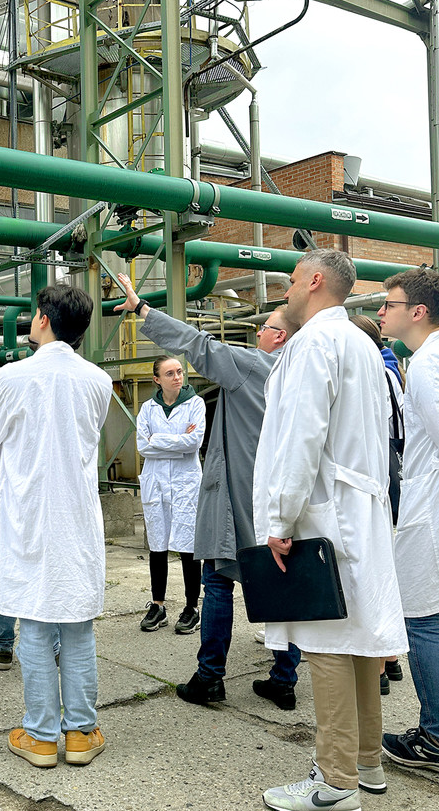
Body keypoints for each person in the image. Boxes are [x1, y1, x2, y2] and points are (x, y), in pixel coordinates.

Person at [254, 249, 407, 811]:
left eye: (293, 279)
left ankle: (334, 783)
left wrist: (279, 518)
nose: (287, 290)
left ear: (315, 281)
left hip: (324, 513)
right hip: (359, 506)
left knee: (326, 644)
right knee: (360, 639)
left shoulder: (314, 343)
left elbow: (299, 437)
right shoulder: (361, 343)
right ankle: (366, 762)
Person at [114, 275, 301, 708]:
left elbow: (197, 344)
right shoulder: (297, 375)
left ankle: (210, 675)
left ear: (280, 337)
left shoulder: (253, 366)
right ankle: (284, 677)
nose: (258, 333)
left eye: (265, 328)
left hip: (238, 493)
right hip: (280, 496)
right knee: (279, 584)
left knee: (218, 578)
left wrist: (143, 310)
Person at [0, 284, 112, 768]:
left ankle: (39, 736)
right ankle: (80, 733)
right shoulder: (98, 380)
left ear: (42, 319)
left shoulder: (10, 377)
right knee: (77, 624)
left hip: (29, 513)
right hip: (76, 515)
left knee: (34, 623)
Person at [377, 267, 439, 777]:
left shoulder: (425, 364)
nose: (382, 312)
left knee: (420, 619)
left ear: (418, 312)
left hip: (435, 505)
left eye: (390, 304)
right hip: (436, 501)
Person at [350, 313, 405, 693]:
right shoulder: (389, 368)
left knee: (371, 570)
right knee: (380, 565)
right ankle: (391, 659)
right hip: (381, 473)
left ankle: (381, 667)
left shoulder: (373, 373)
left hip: (373, 475)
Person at [134, 356, 206, 634]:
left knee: (188, 545)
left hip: (185, 483)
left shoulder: (195, 404)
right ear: (157, 380)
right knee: (158, 545)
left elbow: (194, 443)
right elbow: (143, 446)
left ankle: (191, 607)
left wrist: (158, 440)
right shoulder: (147, 408)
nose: (177, 377)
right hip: (156, 483)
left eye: (179, 372)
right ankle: (158, 605)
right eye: (170, 373)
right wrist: (178, 441)